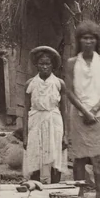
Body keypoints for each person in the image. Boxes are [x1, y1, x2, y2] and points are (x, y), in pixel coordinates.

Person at [63, 20, 100, 198]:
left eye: (92, 38)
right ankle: (79, 195)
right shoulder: (71, 63)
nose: (88, 41)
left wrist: (93, 110)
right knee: (79, 157)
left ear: (97, 40)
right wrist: (84, 112)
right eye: (85, 38)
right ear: (79, 40)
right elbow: (69, 91)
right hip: (79, 115)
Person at [22, 46, 68, 183]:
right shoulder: (30, 84)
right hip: (35, 121)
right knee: (35, 154)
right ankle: (36, 189)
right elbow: (25, 110)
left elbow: (64, 110)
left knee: (54, 156)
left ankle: (54, 187)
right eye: (41, 63)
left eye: (48, 64)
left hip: (54, 121)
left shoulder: (59, 83)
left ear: (53, 65)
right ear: (36, 65)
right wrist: (25, 135)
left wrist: (66, 135)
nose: (45, 67)